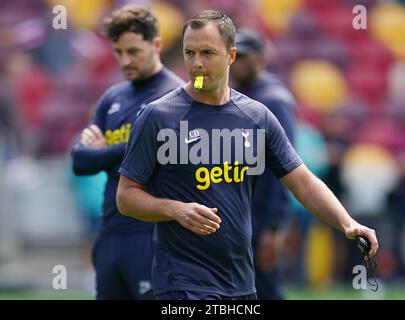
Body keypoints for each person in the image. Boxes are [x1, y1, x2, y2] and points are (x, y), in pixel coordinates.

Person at [116, 10, 378, 300]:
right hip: (181, 282)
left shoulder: (256, 116)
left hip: (241, 283)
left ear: (230, 55)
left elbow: (302, 182)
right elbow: (126, 196)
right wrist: (175, 210)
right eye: (190, 52)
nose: (197, 63)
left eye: (207, 52)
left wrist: (347, 222)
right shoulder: (157, 116)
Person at [71, 4, 183, 300]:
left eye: (133, 51)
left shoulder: (176, 96)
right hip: (110, 232)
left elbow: (161, 154)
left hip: (153, 234)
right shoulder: (113, 97)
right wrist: (133, 146)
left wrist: (107, 150)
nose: (125, 60)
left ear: (156, 44)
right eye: (118, 52)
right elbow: (80, 161)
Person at [230, 28, 297, 300]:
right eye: (236, 56)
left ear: (260, 57)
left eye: (245, 56)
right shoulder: (242, 94)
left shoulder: (272, 99)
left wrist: (274, 226)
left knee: (264, 290)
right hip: (242, 214)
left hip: (259, 218)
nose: (239, 63)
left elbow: (284, 166)